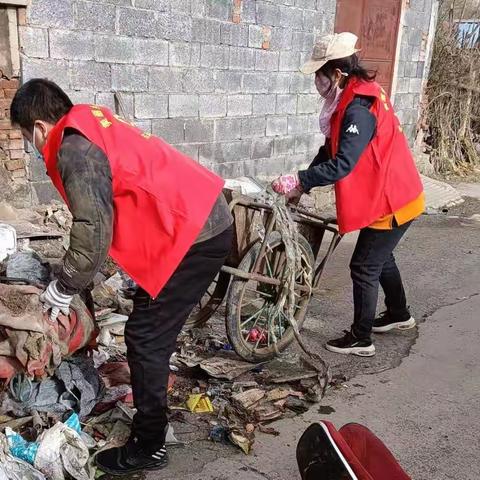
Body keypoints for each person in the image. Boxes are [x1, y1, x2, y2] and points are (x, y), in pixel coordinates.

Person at [10, 79, 233, 475]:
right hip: (189, 222)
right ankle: (151, 422)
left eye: (29, 138)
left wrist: (63, 288)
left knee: (145, 336)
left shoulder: (74, 147)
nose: (34, 147)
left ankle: (149, 446)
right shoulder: (90, 123)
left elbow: (92, 232)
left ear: (40, 128)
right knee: (147, 326)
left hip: (194, 234)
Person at [272, 32, 424, 357]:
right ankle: (400, 314)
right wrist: (303, 184)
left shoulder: (358, 108)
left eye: (319, 73)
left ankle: (361, 338)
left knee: (364, 266)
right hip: (393, 192)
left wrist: (298, 179)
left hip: (394, 199)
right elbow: (330, 150)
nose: (316, 80)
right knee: (381, 258)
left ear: (337, 73)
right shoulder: (351, 96)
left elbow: (342, 163)